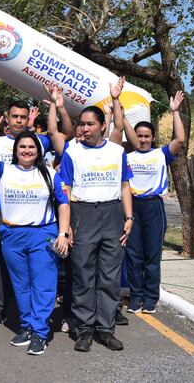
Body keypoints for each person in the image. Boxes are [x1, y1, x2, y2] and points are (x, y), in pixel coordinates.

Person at [0, 112, 71, 355]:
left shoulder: (49, 173)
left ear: (38, 151)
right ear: (16, 150)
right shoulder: (4, 171)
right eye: (23, 146)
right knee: (21, 285)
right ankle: (27, 326)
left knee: (43, 285)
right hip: (12, 235)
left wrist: (63, 233)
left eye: (32, 147)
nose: (27, 150)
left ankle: (40, 332)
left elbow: (63, 203)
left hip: (43, 234)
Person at [59, 99, 133, 353]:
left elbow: (125, 185)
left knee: (110, 276)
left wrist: (129, 218)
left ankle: (106, 329)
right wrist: (67, 227)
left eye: (91, 124)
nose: (85, 128)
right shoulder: (72, 152)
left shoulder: (117, 151)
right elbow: (65, 191)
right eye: (83, 124)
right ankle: (84, 329)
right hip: (83, 214)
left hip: (112, 214)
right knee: (83, 274)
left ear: (103, 126)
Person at [123, 91, 185, 314]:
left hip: (153, 207)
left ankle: (151, 298)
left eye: (147, 136)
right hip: (133, 208)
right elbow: (126, 130)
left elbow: (180, 140)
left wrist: (175, 111)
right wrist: (117, 109)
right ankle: (136, 297)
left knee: (152, 256)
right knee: (133, 255)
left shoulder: (161, 154)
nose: (142, 139)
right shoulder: (127, 157)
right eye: (139, 136)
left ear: (152, 138)